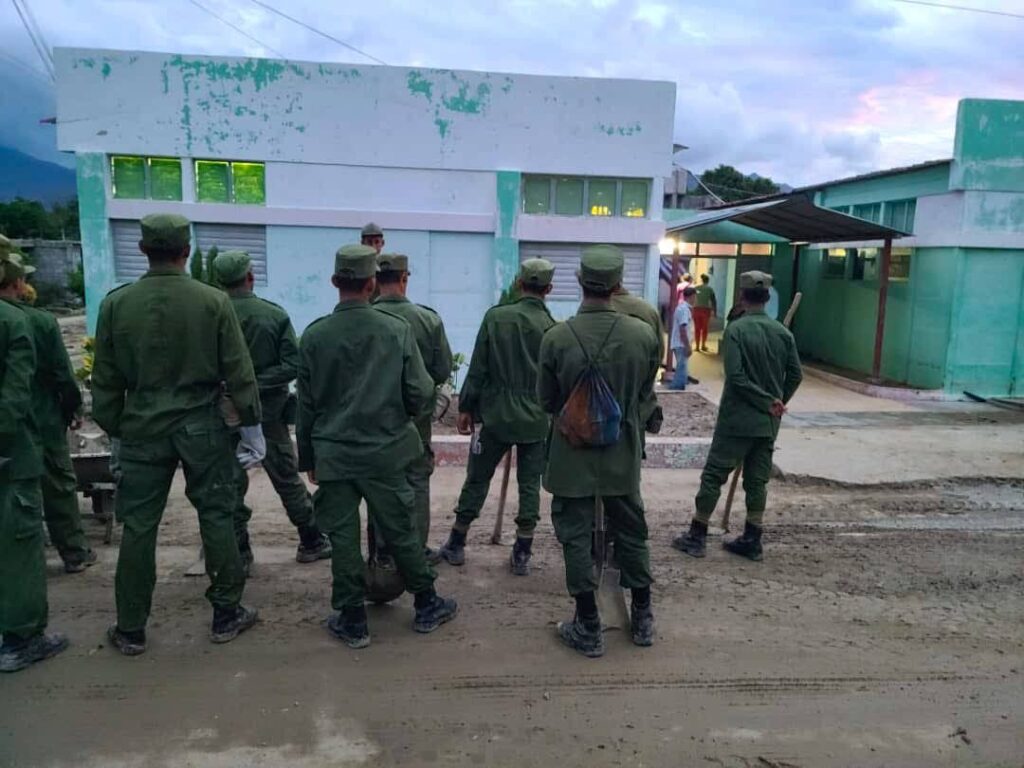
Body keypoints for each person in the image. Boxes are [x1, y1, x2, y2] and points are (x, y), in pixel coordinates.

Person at [92, 214, 262, 656]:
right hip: (201, 426)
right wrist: (249, 421)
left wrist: (118, 426)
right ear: (186, 251)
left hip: (143, 427)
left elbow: (106, 381)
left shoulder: (116, 305)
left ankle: (130, 628)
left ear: (143, 250)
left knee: (139, 527)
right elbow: (239, 371)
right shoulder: (213, 302)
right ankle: (226, 614)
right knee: (216, 516)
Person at [297, 244, 457, 649]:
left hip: (334, 454)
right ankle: (426, 603)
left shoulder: (314, 336)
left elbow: (306, 407)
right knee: (401, 529)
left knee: (343, 537)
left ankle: (353, 620)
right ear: (371, 284)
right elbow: (421, 394)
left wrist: (309, 458)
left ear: (335, 282)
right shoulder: (396, 329)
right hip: (387, 452)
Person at [538, 245, 660, 657]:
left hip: (571, 459)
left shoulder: (556, 337)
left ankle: (588, 625)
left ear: (580, 282)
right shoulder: (642, 336)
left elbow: (545, 400)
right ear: (618, 284)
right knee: (632, 531)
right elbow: (645, 395)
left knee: (573, 536)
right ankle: (642, 617)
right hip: (621, 456)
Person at [210, 250, 331, 569]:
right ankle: (311, 539)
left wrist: (230, 386)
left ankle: (240, 552)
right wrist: (255, 383)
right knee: (286, 477)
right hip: (269, 412)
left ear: (220, 280)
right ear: (249, 277)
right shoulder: (273, 315)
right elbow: (292, 364)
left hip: (221, 413)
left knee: (229, 480)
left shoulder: (208, 315)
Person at [437, 258, 556, 575]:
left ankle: (457, 542)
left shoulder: (495, 318)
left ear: (519, 283)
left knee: (477, 477)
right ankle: (522, 551)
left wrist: (466, 408)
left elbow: (478, 368)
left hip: (496, 417)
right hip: (535, 421)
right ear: (549, 289)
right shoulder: (552, 328)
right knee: (530, 484)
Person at [673, 271, 802, 562]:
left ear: (742, 297)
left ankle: (697, 535)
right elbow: (796, 374)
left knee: (714, 476)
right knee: (758, 482)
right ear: (767, 298)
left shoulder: (737, 330)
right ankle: (752, 538)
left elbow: (737, 377)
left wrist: (769, 401)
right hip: (767, 424)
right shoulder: (783, 333)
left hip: (737, 420)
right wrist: (778, 401)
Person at [0, 252, 94, 574]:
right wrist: (73, 409)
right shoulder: (37, 321)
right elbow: (62, 375)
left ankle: (23, 551)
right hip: (41, 418)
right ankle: (74, 552)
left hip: (12, 425)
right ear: (17, 282)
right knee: (57, 484)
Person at [0, 253, 70, 673]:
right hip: (12, 452)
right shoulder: (14, 322)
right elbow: (14, 393)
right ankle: (22, 639)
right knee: (17, 543)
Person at [372, 253, 453, 560]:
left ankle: (383, 551)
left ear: (375, 281)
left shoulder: (363, 317)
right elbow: (443, 369)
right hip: (415, 419)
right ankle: (415, 551)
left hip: (373, 419)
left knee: (380, 481)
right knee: (417, 479)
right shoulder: (427, 319)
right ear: (404, 279)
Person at [668, 287, 696, 390]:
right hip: (681, 344)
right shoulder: (684, 310)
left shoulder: (683, 308)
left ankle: (680, 386)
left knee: (682, 367)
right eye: (695, 297)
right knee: (681, 367)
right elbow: (682, 329)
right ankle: (677, 387)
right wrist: (687, 345)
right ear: (692, 296)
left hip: (680, 343)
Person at [692, 274, 717, 352]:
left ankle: (697, 347)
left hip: (696, 309)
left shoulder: (695, 288)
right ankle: (703, 345)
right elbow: (713, 301)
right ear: (708, 281)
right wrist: (715, 311)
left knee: (697, 328)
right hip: (706, 310)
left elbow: (691, 298)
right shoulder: (710, 289)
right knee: (704, 329)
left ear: (701, 280)